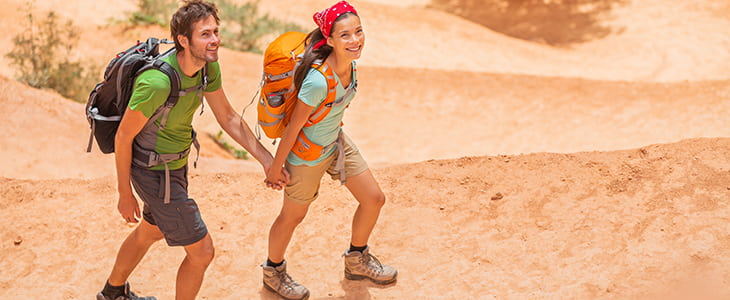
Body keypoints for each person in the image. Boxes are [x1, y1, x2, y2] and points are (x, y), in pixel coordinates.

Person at [96, 1, 286, 299]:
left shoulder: (208, 67)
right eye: (205, 34)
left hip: (175, 167)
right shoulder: (157, 83)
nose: (215, 40)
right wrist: (124, 194)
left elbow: (228, 117)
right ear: (183, 40)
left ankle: (112, 292)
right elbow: (123, 137)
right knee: (202, 253)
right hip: (154, 173)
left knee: (152, 230)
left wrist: (266, 159)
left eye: (215, 32)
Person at [261, 1, 397, 299]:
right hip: (307, 155)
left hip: (335, 143)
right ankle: (273, 271)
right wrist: (275, 167)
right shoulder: (317, 81)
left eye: (359, 32)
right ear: (330, 40)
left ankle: (357, 259)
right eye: (346, 35)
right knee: (291, 217)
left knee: (374, 199)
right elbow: (294, 127)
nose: (356, 40)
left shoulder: (350, 67)